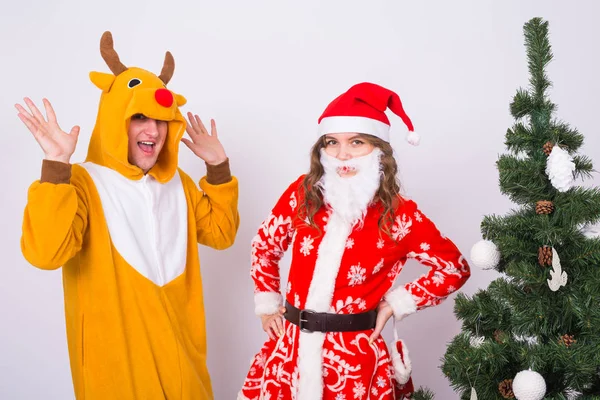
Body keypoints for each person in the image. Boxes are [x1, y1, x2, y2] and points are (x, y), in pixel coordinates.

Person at [17, 31, 239, 399]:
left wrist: (217, 168)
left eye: (162, 119)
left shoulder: (179, 184)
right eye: (139, 117)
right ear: (116, 118)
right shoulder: (81, 183)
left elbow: (221, 232)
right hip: (118, 373)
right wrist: (56, 166)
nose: (153, 130)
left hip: (184, 370)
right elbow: (45, 253)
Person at [238, 82, 471, 400]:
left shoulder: (399, 214)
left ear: (379, 150)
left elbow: (453, 268)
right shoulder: (304, 193)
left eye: (356, 142)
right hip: (289, 355)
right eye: (332, 142)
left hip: (353, 362)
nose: (342, 154)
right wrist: (267, 306)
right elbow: (264, 246)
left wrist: (397, 303)